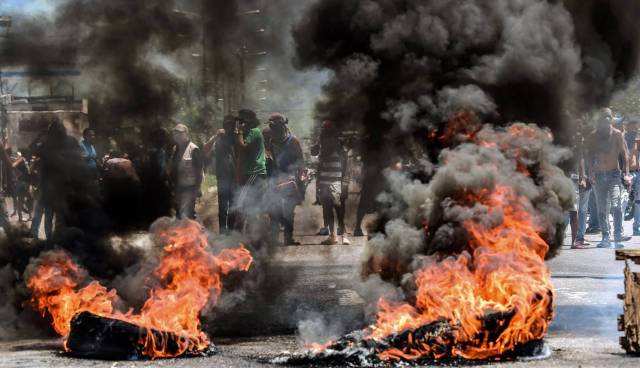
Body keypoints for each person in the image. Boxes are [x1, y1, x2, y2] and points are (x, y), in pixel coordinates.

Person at [587, 108, 631, 249]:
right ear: (600, 120)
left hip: (613, 175)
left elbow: (625, 155)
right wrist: (590, 173)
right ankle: (606, 237)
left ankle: (617, 237)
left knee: (617, 206)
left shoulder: (617, 134)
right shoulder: (594, 136)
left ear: (611, 119)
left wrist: (626, 174)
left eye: (608, 117)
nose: (606, 120)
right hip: (599, 175)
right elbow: (589, 156)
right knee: (601, 209)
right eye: (603, 117)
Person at [268, 113, 305, 245]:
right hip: (273, 178)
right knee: (273, 209)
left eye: (276, 127)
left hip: (290, 178)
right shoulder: (269, 141)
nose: (274, 130)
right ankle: (274, 238)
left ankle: (288, 238)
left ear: (283, 126)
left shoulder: (293, 141)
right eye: (272, 127)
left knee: (289, 210)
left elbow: (300, 160)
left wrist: (301, 176)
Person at [233, 109, 268, 232]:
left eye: (243, 121)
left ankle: (240, 235)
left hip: (254, 173)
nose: (241, 123)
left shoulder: (254, 132)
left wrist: (239, 132)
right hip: (253, 173)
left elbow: (243, 147)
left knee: (240, 203)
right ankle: (253, 234)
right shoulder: (251, 133)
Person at [316, 121, 349, 245]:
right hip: (324, 179)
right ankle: (333, 236)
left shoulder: (339, 145)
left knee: (337, 206)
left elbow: (346, 163)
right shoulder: (322, 145)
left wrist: (345, 180)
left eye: (325, 130)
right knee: (328, 208)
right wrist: (318, 181)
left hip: (335, 180)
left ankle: (344, 234)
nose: (323, 132)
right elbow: (319, 163)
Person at [203, 116, 238, 234]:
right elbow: (205, 149)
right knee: (223, 207)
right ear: (223, 125)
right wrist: (215, 136)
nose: (229, 127)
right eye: (227, 124)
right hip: (222, 176)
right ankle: (223, 231)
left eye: (231, 124)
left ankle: (232, 231)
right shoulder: (219, 139)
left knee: (234, 206)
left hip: (235, 177)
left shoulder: (237, 137)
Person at [169, 123, 203, 220]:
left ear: (186, 134)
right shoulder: (175, 149)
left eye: (180, 133)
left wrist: (198, 188)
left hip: (189, 187)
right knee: (179, 213)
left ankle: (191, 233)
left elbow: (199, 171)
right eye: (175, 133)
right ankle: (182, 233)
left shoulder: (194, 149)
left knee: (187, 213)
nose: (177, 135)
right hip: (178, 186)